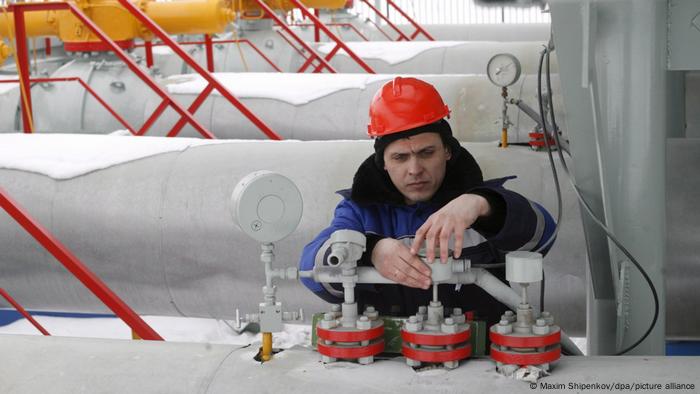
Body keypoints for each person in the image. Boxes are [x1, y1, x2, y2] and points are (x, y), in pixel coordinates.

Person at [299, 77, 555, 327]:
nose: (415, 169)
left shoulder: (482, 205)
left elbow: (543, 237)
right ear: (383, 164)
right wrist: (370, 250)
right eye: (400, 157)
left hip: (482, 362)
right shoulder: (360, 213)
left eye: (427, 153)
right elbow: (312, 272)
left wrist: (484, 205)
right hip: (388, 362)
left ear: (447, 151)